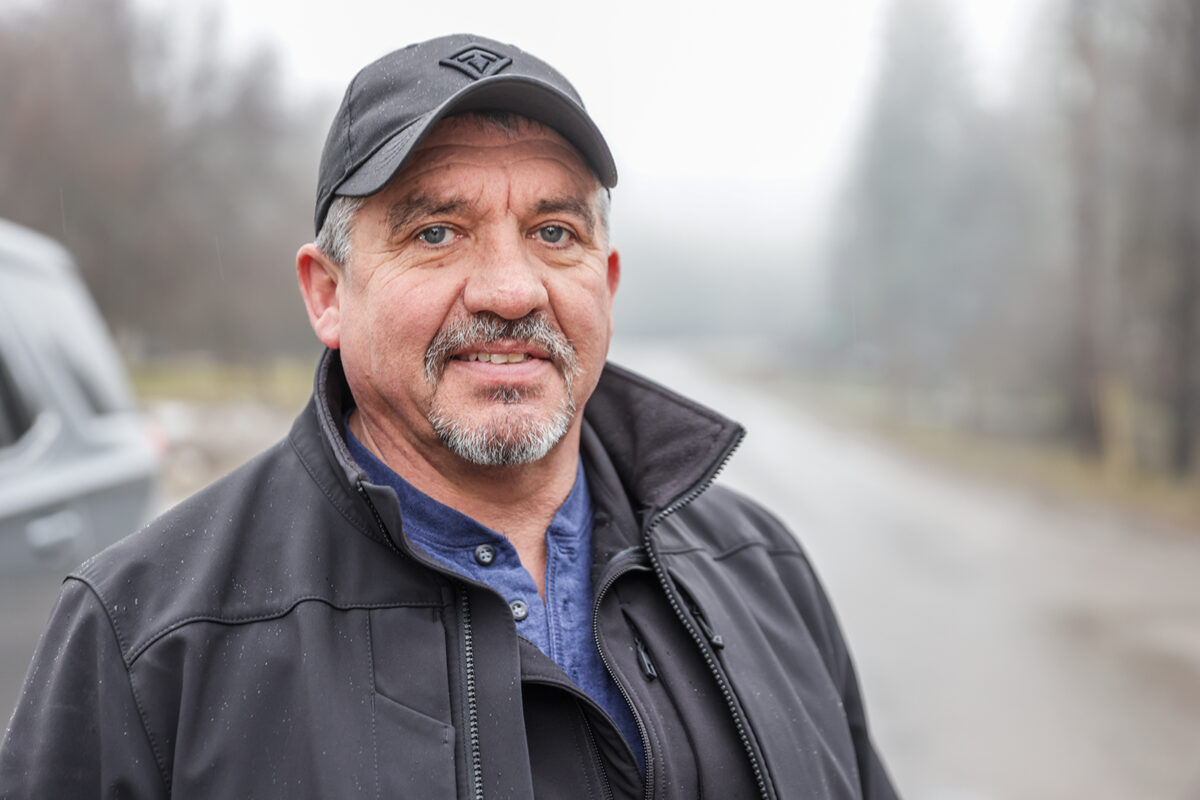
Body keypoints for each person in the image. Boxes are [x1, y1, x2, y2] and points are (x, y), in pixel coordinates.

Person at [0, 34, 898, 799]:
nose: (511, 290)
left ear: (607, 283)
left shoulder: (761, 570)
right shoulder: (147, 637)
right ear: (327, 293)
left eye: (554, 233)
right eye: (436, 232)